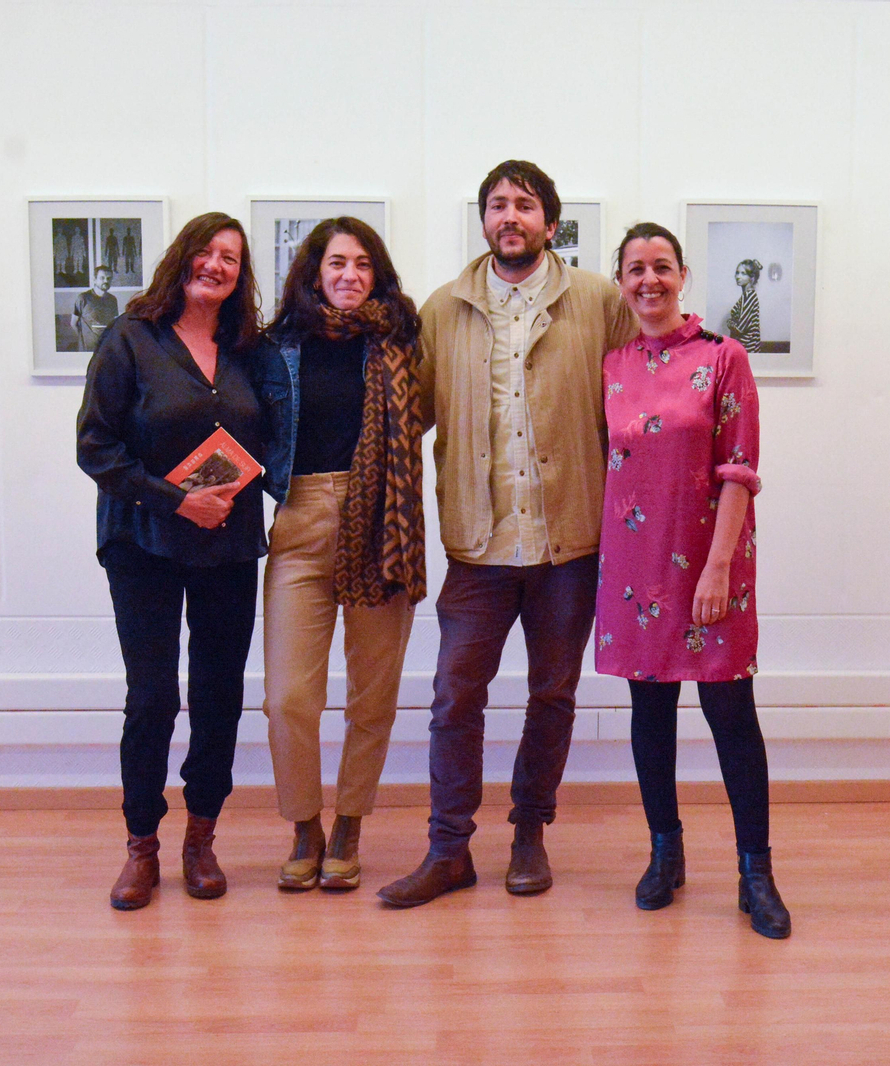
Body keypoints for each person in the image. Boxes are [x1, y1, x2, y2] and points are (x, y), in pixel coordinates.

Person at [377, 160, 635, 908]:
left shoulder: (599, 301)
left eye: (525, 205)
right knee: (455, 695)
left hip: (569, 546)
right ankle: (448, 847)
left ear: (551, 224)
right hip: (478, 546)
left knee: (552, 692)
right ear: (484, 221)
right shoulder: (442, 309)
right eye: (497, 205)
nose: (510, 216)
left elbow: (639, 393)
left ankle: (529, 832)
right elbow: (406, 415)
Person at [595, 222, 789, 938]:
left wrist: (715, 568)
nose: (649, 280)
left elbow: (740, 470)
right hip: (634, 567)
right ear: (621, 283)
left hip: (713, 563)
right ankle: (664, 852)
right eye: (635, 269)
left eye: (661, 266)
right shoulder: (613, 364)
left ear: (681, 276)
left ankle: (756, 871)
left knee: (731, 714)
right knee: (650, 715)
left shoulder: (724, 357)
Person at [76, 212, 266, 911]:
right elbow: (94, 448)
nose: (217, 265)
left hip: (228, 546)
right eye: (208, 252)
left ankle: (201, 839)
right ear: (182, 258)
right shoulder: (130, 338)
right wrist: (174, 501)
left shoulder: (249, 348)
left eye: (232, 259)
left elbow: (277, 429)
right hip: (144, 545)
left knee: (219, 694)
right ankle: (141, 847)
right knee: (153, 696)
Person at [254, 218, 425, 892]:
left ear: (376, 274)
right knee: (287, 698)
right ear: (313, 272)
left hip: (381, 522)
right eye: (336, 263)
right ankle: (304, 824)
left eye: (361, 264)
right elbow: (239, 423)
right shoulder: (277, 348)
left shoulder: (403, 346)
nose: (348, 274)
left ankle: (350, 821)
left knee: (372, 695)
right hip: (298, 522)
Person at [73, 265, 119, 352]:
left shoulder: (113, 299)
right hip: (87, 350)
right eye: (102, 278)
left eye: (109, 278)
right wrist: (84, 339)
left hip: (106, 349)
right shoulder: (83, 298)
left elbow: (114, 323)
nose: (106, 281)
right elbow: (73, 323)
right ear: (94, 279)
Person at [724, 258, 762, 354]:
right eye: (737, 273)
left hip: (747, 348)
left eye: (743, 273)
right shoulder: (747, 295)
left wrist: (729, 322)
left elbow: (740, 328)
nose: (738, 276)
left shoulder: (749, 296)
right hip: (744, 348)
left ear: (752, 278)